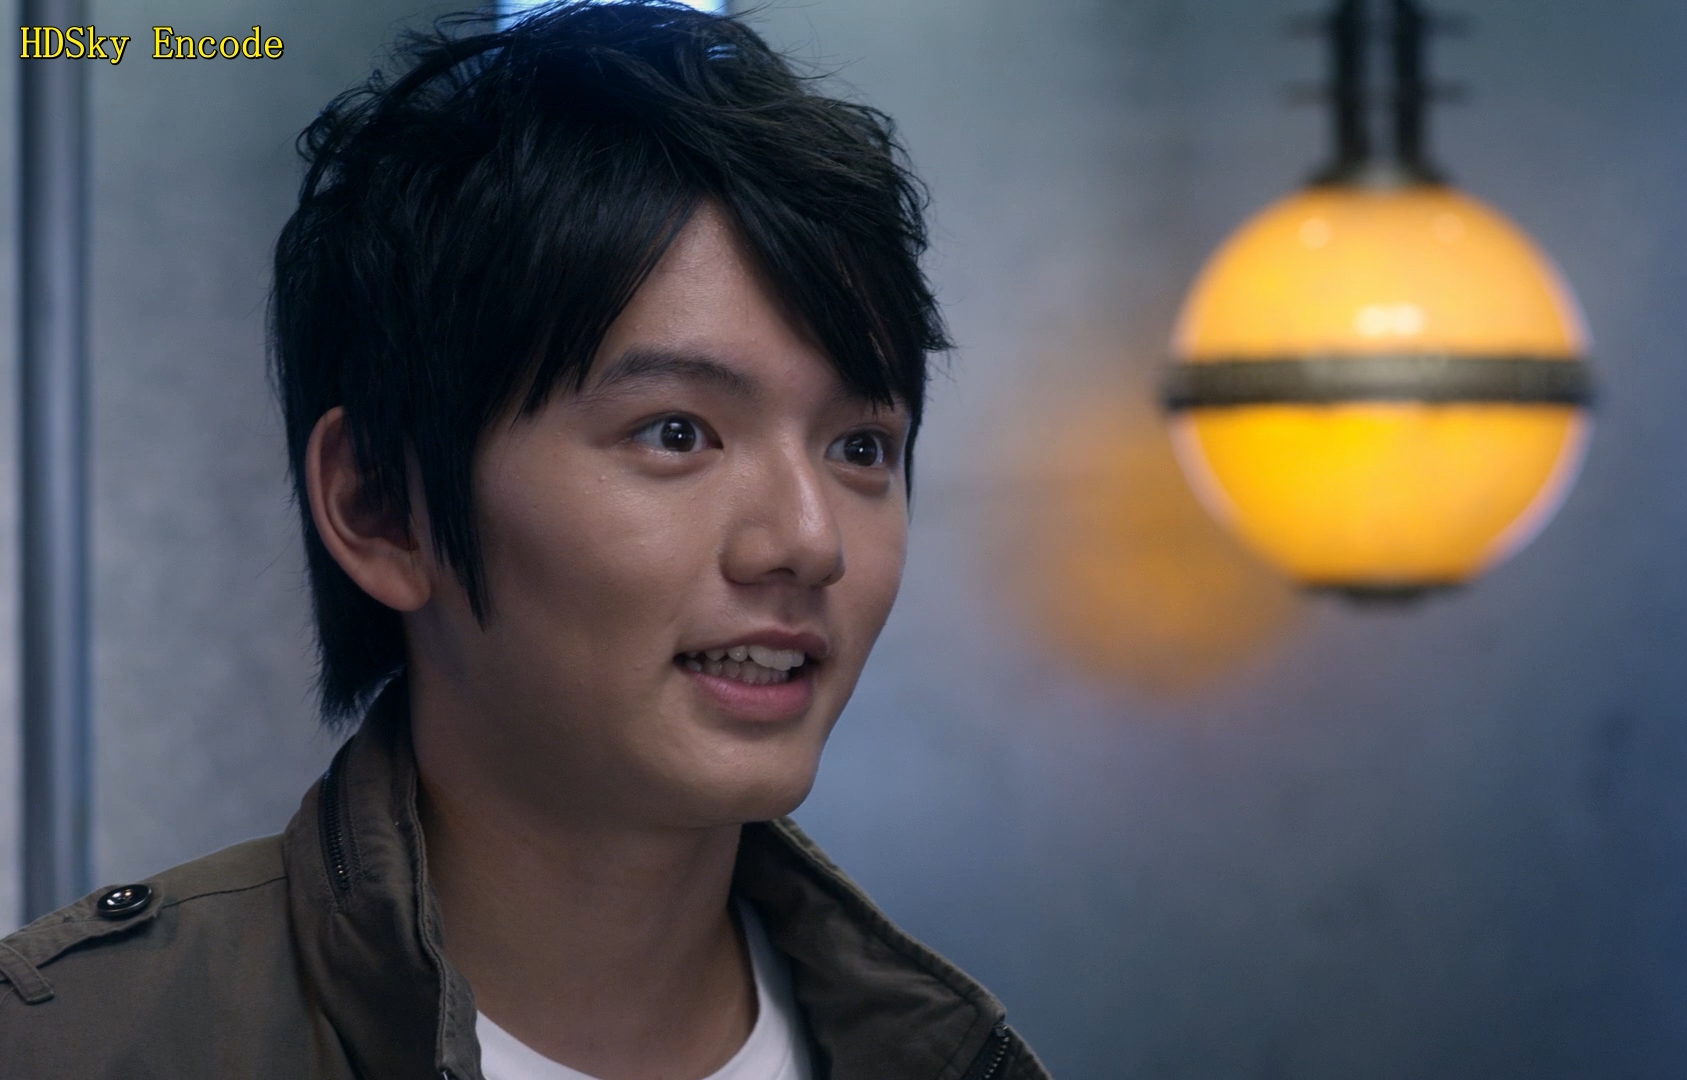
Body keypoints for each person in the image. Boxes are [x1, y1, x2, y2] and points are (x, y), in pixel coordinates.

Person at [0, 4, 1048, 1078]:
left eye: (861, 448)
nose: (811, 540)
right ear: (381, 507)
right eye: (676, 432)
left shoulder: (955, 1060)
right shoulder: (76, 1045)